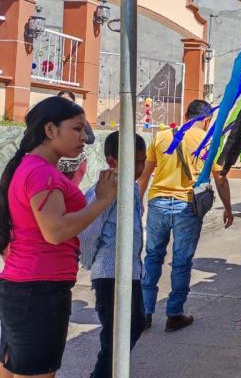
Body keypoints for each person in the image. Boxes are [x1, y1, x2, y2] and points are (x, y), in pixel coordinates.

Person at [0, 96, 117, 378]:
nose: (84, 137)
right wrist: (102, 201)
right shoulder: (41, 173)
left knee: (13, 367)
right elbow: (56, 232)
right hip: (39, 289)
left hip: (26, 285)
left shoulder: (32, 167)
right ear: (50, 130)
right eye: (76, 128)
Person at [137, 99, 234, 332]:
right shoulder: (209, 141)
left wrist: (138, 202)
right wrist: (228, 208)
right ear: (207, 120)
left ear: (185, 116)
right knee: (181, 261)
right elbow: (220, 179)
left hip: (158, 203)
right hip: (188, 206)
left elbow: (145, 175)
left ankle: (145, 313)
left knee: (152, 257)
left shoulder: (161, 136)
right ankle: (174, 314)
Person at [78, 131, 147, 378]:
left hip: (130, 272)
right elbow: (87, 232)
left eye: (142, 161)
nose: (139, 168)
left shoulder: (132, 188)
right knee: (116, 334)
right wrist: (91, 264)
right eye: (134, 162)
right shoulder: (107, 189)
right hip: (110, 274)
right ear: (112, 161)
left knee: (134, 324)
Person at [57, 90, 96, 186]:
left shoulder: (80, 119)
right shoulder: (50, 118)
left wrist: (79, 137)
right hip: (56, 162)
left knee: (70, 190)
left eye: (69, 101)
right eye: (62, 101)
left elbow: (91, 138)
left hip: (75, 164)